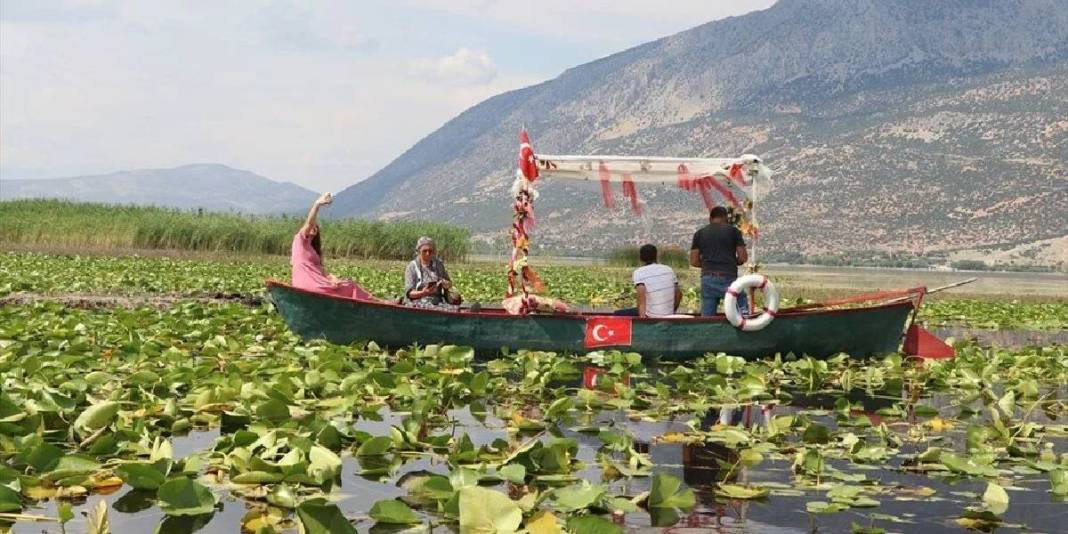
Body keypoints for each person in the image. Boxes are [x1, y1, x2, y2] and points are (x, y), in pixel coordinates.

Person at [290, 192, 376, 300]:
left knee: (347, 283)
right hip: (308, 285)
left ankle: (380, 301)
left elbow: (323, 273)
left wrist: (333, 278)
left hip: (318, 284)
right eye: (311, 226)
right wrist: (317, 204)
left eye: (316, 227)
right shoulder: (299, 240)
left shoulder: (312, 251)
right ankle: (378, 302)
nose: (313, 227)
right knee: (351, 286)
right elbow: (309, 223)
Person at [690, 206, 749, 316]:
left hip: (707, 278)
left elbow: (693, 261)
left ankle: (707, 331)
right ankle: (745, 325)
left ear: (710, 218)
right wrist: (731, 262)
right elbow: (743, 257)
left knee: (707, 315)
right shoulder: (733, 231)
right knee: (741, 306)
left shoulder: (699, 233)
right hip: (728, 276)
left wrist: (708, 264)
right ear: (725, 218)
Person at [616, 244, 682, 318]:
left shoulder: (639, 272)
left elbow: (641, 298)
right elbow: (679, 294)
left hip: (651, 315)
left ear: (641, 258)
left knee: (618, 313)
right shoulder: (668, 269)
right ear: (656, 256)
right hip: (669, 314)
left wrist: (643, 321)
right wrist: (672, 311)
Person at [404, 236, 462, 307]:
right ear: (418, 251)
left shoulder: (439, 265)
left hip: (437, 301)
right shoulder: (412, 267)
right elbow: (409, 293)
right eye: (424, 251)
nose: (428, 253)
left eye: (430, 251)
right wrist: (424, 293)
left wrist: (446, 284)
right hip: (417, 302)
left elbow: (448, 282)